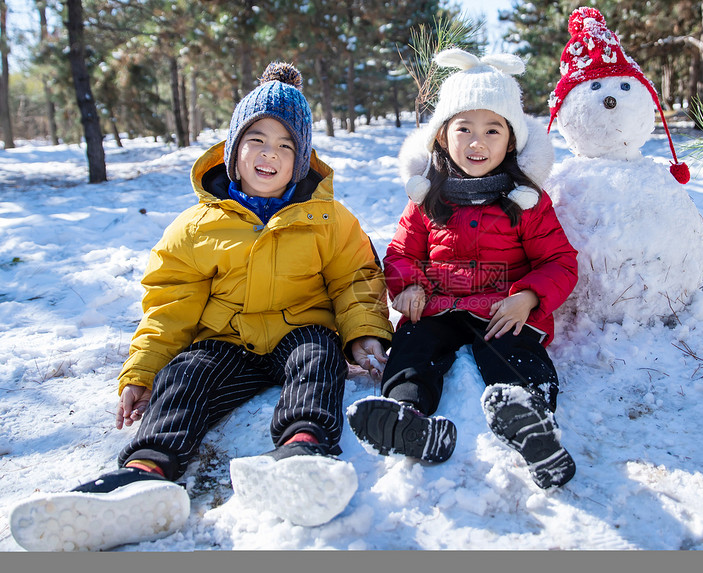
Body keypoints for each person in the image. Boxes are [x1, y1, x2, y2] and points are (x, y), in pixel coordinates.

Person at [10, 61, 392, 552]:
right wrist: (144, 369)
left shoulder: (329, 219)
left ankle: (304, 455)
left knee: (318, 358)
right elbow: (171, 303)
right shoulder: (197, 225)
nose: (269, 154)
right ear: (233, 150)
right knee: (187, 372)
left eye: (285, 144)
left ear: (302, 159)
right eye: (257, 139)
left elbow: (355, 279)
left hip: (302, 328)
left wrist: (364, 334)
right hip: (226, 341)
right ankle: (144, 474)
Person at [347, 49, 579, 490]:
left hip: (500, 306)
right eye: (464, 129)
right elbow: (400, 253)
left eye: (492, 130)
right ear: (441, 137)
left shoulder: (525, 200)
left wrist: (527, 298)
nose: (478, 142)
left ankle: (533, 421)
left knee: (515, 352)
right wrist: (408, 285)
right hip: (436, 305)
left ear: (510, 141)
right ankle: (408, 418)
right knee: (413, 347)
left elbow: (559, 261)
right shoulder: (427, 198)